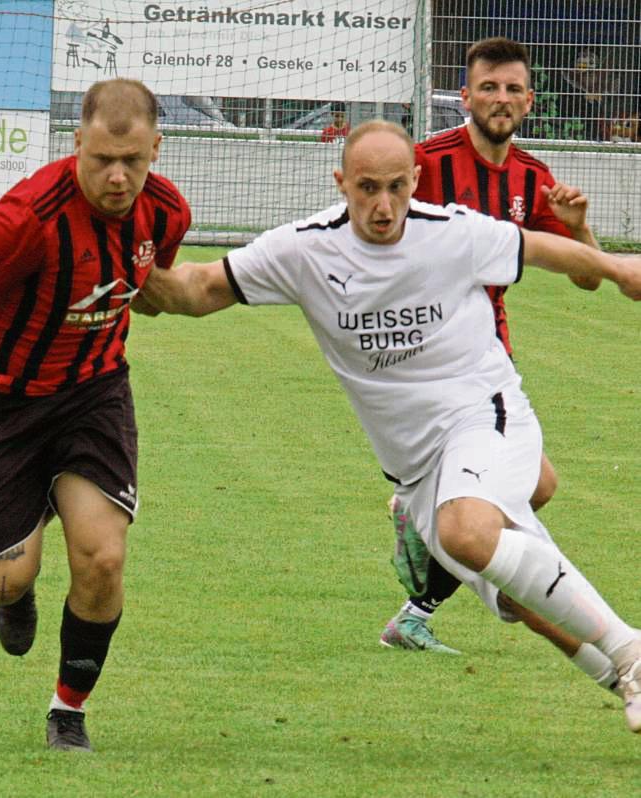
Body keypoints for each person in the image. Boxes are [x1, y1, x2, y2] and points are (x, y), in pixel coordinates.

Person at [135, 119, 641, 733]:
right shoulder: (305, 249)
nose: (383, 205)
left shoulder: (451, 232)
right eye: (367, 188)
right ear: (340, 182)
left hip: (485, 412)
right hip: (415, 466)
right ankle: (624, 678)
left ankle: (630, 651)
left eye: (397, 187)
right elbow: (199, 288)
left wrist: (615, 267)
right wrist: (135, 274)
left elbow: (537, 247)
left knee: (468, 532)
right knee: (519, 593)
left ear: (416, 181)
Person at [0, 78, 191, 752]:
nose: (117, 177)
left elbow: (144, 285)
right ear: (77, 145)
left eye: (133, 162)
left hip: (93, 394)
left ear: (155, 148)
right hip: (0, 404)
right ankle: (14, 594)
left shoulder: (167, 212)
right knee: (6, 577)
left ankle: (68, 712)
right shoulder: (29, 218)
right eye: (100, 161)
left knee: (102, 558)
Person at [379, 36, 605, 658]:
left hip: (488, 356)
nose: (500, 100)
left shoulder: (534, 178)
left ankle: (416, 598)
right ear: (465, 97)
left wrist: (579, 225)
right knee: (522, 490)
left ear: (529, 101)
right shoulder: (425, 164)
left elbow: (586, 276)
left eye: (511, 90)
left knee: (535, 486)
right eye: (488, 87)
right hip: (426, 356)